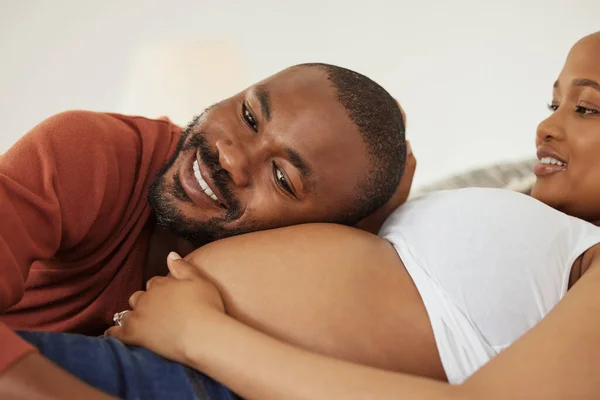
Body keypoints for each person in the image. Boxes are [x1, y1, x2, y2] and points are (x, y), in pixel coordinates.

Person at [4, 31, 600, 399]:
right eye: (553, 102)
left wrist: (199, 334)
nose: (547, 125)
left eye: (587, 108)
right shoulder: (93, 157)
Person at [0, 63, 412, 388]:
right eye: (249, 115)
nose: (230, 156)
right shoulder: (89, 152)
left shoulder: (295, 282)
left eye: (283, 178)